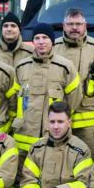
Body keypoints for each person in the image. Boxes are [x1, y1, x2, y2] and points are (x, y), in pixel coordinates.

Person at [12, 24, 81, 156]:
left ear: (52, 41)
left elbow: (74, 99)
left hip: (52, 134)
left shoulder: (65, 67)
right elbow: (15, 99)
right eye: (37, 38)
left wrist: (59, 120)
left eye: (45, 37)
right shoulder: (21, 66)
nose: (41, 41)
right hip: (23, 135)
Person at [53, 8, 94, 155]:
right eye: (70, 24)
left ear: (85, 25)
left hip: (89, 124)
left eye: (78, 24)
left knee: (88, 163)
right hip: (59, 120)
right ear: (63, 26)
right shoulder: (53, 48)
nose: (74, 27)